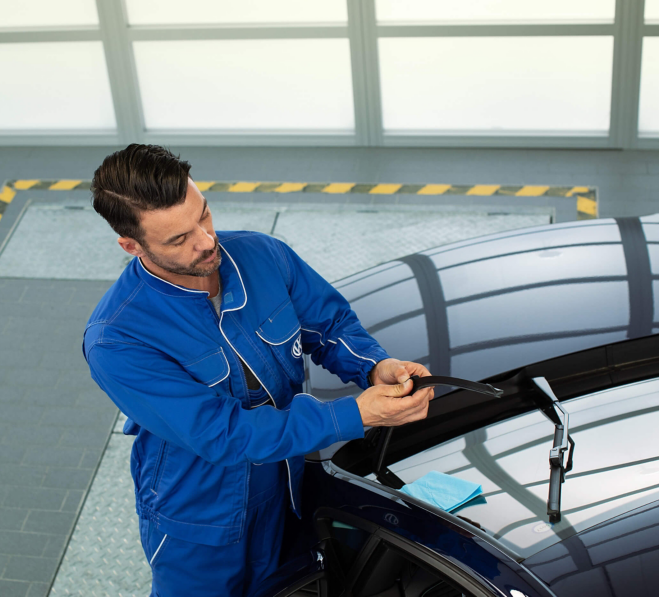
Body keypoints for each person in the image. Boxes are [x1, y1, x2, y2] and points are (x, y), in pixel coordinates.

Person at [82, 144, 434, 596]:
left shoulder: (263, 255)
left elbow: (329, 324)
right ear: (132, 246)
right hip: (200, 520)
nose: (207, 241)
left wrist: (374, 366)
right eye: (178, 239)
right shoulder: (118, 339)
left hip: (287, 486)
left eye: (203, 216)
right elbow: (223, 434)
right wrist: (356, 415)